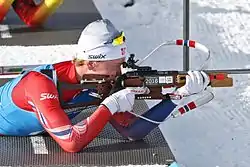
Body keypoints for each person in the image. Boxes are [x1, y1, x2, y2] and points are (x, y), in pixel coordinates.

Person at [0, 19, 210, 153]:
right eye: (116, 66)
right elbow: (71, 143)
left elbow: (132, 132)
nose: (119, 73)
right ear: (91, 63)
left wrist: (178, 96)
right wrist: (109, 105)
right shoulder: (39, 85)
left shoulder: (101, 81)